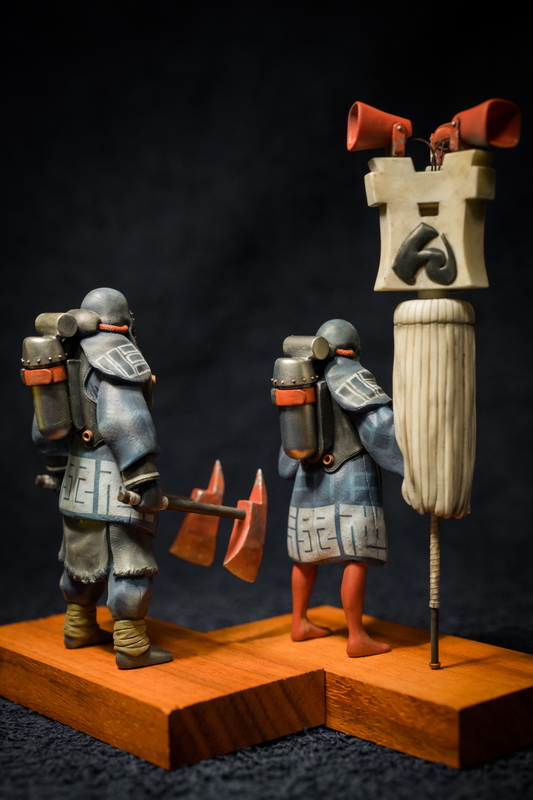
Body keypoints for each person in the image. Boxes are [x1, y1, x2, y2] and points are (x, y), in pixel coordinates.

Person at [31, 288, 172, 669]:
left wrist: (57, 469)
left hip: (75, 483)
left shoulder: (66, 355)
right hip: (117, 487)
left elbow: (44, 428)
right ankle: (132, 646)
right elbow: (124, 420)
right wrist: (143, 479)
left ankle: (78, 627)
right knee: (130, 563)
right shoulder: (117, 355)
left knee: (80, 560)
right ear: (125, 321)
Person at [278, 319, 403, 657]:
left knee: (305, 558)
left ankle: (299, 622)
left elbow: (290, 441)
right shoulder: (351, 375)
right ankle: (356, 636)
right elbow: (378, 427)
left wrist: (292, 463)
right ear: (352, 349)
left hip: (308, 478)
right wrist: (408, 462)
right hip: (351, 478)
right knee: (356, 557)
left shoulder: (305, 376)